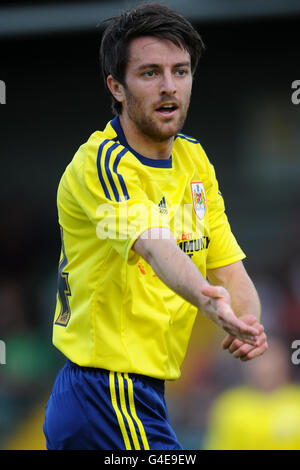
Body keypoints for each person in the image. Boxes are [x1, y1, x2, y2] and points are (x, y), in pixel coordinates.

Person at [43, 3, 268, 450]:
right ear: (117, 86)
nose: (169, 88)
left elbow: (224, 259)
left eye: (180, 71)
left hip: (138, 395)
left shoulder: (194, 160)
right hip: (105, 394)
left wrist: (248, 321)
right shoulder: (101, 164)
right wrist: (209, 304)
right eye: (150, 73)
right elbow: (155, 246)